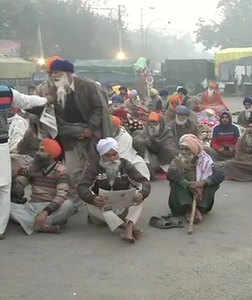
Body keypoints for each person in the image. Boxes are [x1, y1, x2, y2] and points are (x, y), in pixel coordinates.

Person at [36, 57, 114, 204]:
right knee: (72, 171)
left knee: (95, 167)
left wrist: (90, 129)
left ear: (69, 73)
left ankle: (98, 199)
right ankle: (78, 200)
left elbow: (99, 108)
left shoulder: (88, 86)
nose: (54, 76)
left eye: (57, 72)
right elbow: (53, 113)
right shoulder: (54, 89)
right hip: (69, 136)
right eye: (52, 73)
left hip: (91, 134)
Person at [0, 85, 52, 239]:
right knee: (3, 187)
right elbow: (27, 101)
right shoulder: (4, 92)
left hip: (3, 146)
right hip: (1, 146)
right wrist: (46, 100)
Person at [78, 138, 151, 243]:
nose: (112, 158)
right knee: (89, 204)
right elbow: (82, 187)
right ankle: (126, 227)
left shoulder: (125, 165)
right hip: (103, 211)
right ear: (101, 156)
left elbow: (143, 181)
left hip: (123, 209)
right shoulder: (94, 167)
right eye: (107, 156)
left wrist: (142, 193)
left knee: (139, 196)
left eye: (114, 154)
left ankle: (129, 226)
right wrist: (94, 199)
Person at [10, 139, 75, 235]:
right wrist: (15, 178)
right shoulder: (33, 166)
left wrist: (45, 212)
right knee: (6, 205)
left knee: (69, 205)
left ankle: (33, 223)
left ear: (50, 155)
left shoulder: (61, 171)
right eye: (38, 150)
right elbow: (19, 187)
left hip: (51, 208)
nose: (37, 153)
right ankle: (42, 225)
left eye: (42, 151)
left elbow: (61, 196)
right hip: (32, 206)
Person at [167, 134, 224, 223]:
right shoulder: (177, 160)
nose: (183, 152)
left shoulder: (206, 160)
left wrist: (203, 182)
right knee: (176, 182)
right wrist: (188, 185)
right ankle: (190, 209)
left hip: (202, 201)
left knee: (214, 183)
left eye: (187, 149)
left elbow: (220, 174)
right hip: (180, 204)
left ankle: (199, 209)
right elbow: (171, 173)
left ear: (194, 150)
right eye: (182, 149)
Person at [134, 112, 178, 177]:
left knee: (168, 149)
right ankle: (146, 165)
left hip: (162, 156)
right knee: (140, 142)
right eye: (150, 124)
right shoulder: (146, 130)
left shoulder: (167, 132)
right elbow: (138, 138)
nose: (152, 126)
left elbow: (170, 146)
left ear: (161, 124)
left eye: (155, 124)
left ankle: (162, 168)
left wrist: (155, 141)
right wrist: (147, 140)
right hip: (150, 156)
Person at [112, 116, 150, 180]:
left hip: (127, 162)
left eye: (113, 128)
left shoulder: (124, 137)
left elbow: (122, 158)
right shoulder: (104, 135)